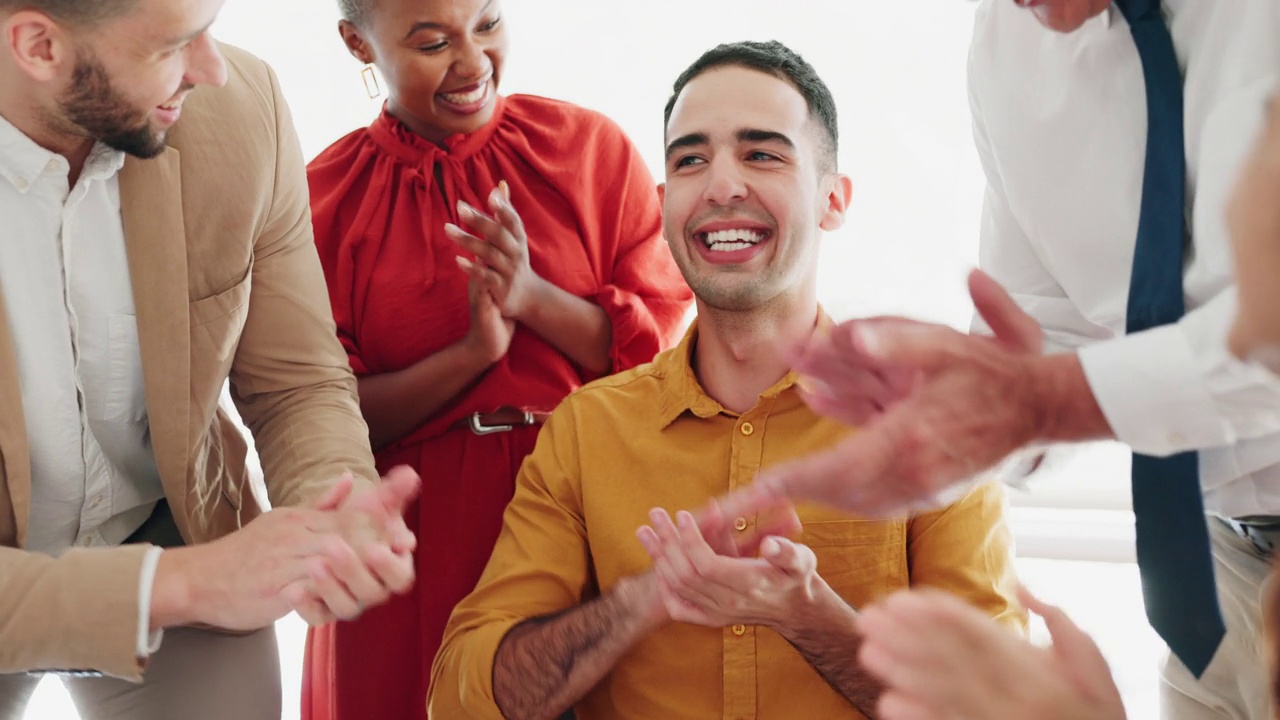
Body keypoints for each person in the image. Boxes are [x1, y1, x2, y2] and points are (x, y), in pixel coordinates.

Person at [426, 39, 1024, 720]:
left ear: (833, 199)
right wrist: (642, 600)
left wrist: (811, 619)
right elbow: (460, 697)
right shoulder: (586, 432)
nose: (721, 185)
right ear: (663, 206)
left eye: (762, 153)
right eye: (691, 160)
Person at [719, 0, 1280, 717]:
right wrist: (966, 413)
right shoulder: (1006, 44)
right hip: (1210, 573)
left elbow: (1263, 331)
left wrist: (1044, 398)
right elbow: (1046, 329)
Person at [0, 0, 421, 718]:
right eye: (173, 46)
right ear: (38, 46)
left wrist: (332, 508)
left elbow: (296, 381)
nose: (213, 69)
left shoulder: (240, 110)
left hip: (168, 521)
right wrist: (189, 584)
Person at [301, 0, 693, 718]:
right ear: (358, 43)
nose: (473, 62)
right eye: (432, 42)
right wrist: (472, 355)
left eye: (487, 24)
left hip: (582, 505)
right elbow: (316, 411)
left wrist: (533, 297)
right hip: (410, 539)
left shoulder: (586, 148)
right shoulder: (321, 201)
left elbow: (662, 354)